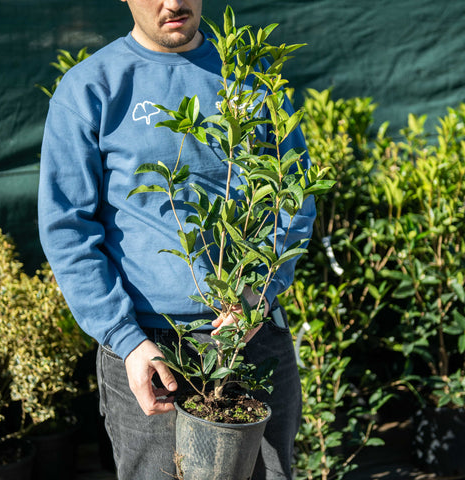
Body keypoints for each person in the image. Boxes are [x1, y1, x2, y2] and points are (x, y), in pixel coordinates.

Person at [38, 0, 316, 479]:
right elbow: (68, 227)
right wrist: (125, 338)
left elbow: (293, 196)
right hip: (152, 348)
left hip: (252, 330)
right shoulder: (92, 87)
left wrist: (256, 295)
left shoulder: (251, 79)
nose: (172, 3)